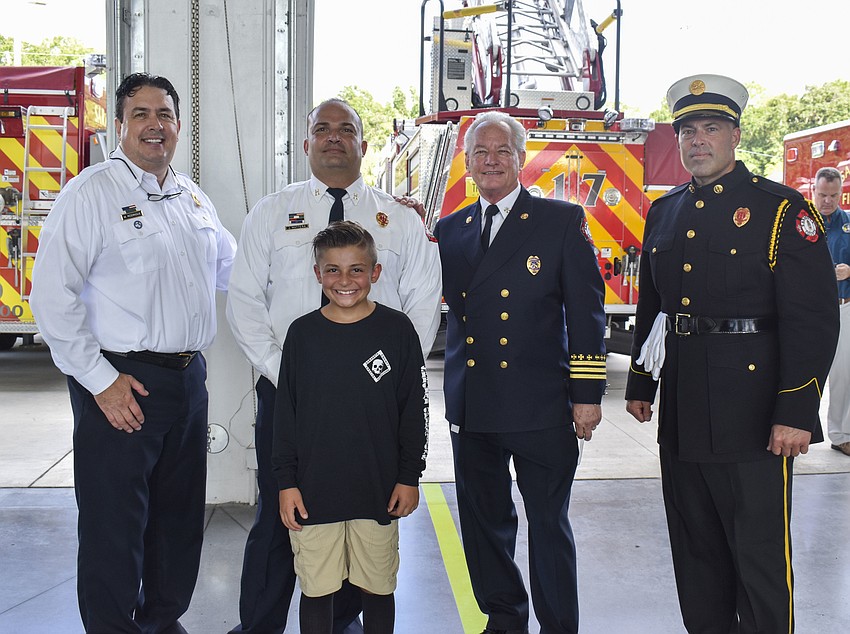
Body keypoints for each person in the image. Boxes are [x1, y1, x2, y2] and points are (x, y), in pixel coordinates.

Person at [625, 74, 839, 633]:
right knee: (695, 555)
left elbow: (813, 318)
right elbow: (655, 305)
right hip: (685, 407)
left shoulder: (780, 209)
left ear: (736, 135)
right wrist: (642, 385)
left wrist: (796, 411)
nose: (698, 140)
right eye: (688, 130)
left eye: (711, 128)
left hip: (754, 412)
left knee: (759, 558)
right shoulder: (664, 211)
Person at [29, 72, 236, 633]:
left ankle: (161, 621)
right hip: (121, 384)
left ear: (177, 125)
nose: (155, 125)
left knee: (178, 520)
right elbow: (50, 296)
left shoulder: (191, 196)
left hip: (187, 382)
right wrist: (99, 380)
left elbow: (237, 273)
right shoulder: (91, 193)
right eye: (141, 114)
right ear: (121, 125)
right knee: (114, 526)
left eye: (164, 114)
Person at [225, 98, 441, 634]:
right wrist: (293, 376)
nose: (334, 137)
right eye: (322, 128)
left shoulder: (399, 219)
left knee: (364, 516)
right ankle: (260, 626)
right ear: (306, 144)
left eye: (347, 129)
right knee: (282, 521)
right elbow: (245, 301)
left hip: (373, 402)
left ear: (363, 146)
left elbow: (420, 299)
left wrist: (389, 376)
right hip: (290, 395)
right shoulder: (271, 213)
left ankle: (339, 623)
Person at [434, 110, 607, 634]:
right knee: (484, 527)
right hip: (475, 402)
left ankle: (558, 625)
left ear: (521, 158)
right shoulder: (450, 228)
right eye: (480, 153)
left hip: (542, 405)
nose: (490, 161)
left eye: (501, 151)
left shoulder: (560, 221)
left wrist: (587, 394)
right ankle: (504, 618)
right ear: (466, 163)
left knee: (549, 526)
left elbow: (588, 313)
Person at [272, 220, 428, 634]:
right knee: (316, 591)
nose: (345, 281)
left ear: (375, 273)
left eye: (356, 269)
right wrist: (286, 482)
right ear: (317, 274)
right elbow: (284, 415)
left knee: (378, 589)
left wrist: (408, 476)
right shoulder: (302, 335)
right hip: (313, 491)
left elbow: (414, 411)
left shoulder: (397, 331)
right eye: (333, 270)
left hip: (376, 488)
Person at [814, 166, 850, 456]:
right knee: (800, 372)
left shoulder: (849, 223)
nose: (828, 201)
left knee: (844, 374)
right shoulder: (800, 224)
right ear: (814, 191)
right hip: (808, 311)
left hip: (843, 308)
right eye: (823, 194)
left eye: (833, 195)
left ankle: (841, 435)